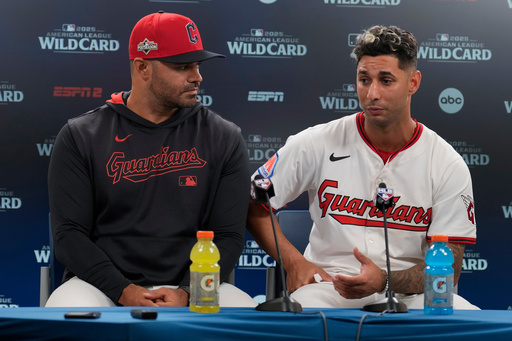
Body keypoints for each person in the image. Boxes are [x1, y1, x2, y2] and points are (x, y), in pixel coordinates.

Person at [247, 25, 478, 309]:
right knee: (303, 317)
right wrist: (295, 262)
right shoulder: (318, 141)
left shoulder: (445, 162)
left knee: (468, 321)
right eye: (364, 79)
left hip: (411, 295)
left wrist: (383, 279)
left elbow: (448, 269)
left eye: (386, 80)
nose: (372, 93)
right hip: (329, 286)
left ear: (413, 82)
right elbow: (255, 201)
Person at [46, 11, 256, 308]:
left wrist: (186, 292)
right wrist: (124, 290)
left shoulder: (224, 136)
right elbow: (69, 236)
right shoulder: (81, 135)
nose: (197, 76)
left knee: (244, 312)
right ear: (143, 67)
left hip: (194, 282)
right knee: (67, 309)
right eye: (183, 66)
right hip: (103, 285)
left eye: (197, 65)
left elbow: (228, 237)